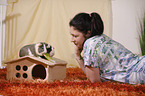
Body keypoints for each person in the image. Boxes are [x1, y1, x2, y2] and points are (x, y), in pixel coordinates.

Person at [69, 12, 145, 85]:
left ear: (88, 33)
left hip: (140, 72)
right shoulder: (101, 38)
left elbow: (94, 80)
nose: (72, 40)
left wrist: (78, 56)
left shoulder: (90, 44)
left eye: (75, 36)